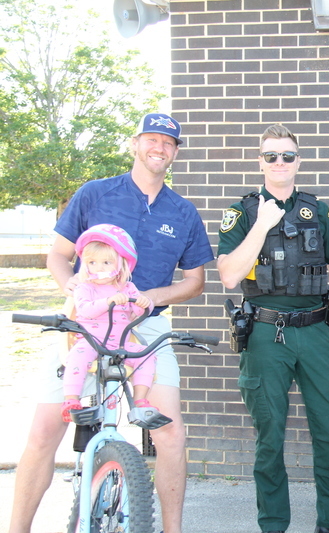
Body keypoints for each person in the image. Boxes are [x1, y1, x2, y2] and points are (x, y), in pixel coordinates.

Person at [10, 112, 214, 533]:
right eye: (152, 139)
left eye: (169, 143)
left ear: (175, 152)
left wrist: (153, 297)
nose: (159, 148)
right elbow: (58, 255)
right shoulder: (94, 193)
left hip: (145, 326)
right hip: (84, 322)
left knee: (171, 433)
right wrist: (74, 293)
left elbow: (196, 281)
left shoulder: (183, 210)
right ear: (136, 143)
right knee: (45, 429)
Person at [216, 124, 329, 533]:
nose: (280, 162)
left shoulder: (319, 210)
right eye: (271, 155)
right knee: (269, 436)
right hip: (264, 334)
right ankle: (274, 524)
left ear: (299, 160)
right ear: (259, 161)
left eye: (287, 155)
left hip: (316, 331)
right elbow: (228, 275)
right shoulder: (241, 213)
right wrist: (262, 224)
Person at [62, 224, 169, 430]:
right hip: (92, 341)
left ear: (120, 265)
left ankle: (140, 400)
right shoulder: (85, 288)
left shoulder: (126, 287)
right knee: (77, 356)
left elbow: (137, 312)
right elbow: (85, 310)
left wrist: (143, 304)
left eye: (106, 262)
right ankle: (71, 399)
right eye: (92, 262)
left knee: (145, 354)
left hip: (120, 343)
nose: (99, 268)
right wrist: (110, 301)